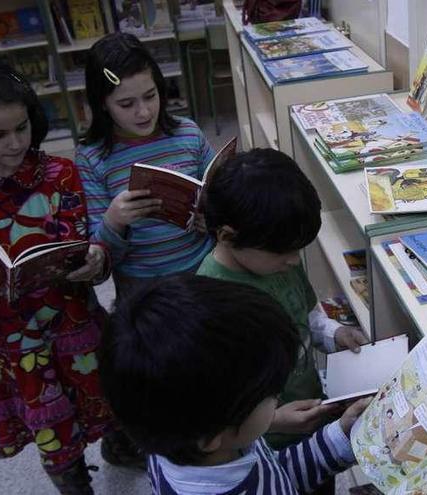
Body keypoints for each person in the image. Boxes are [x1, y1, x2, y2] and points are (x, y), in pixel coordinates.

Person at [0, 59, 138, 494]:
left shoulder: (59, 174)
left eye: (22, 128)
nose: (15, 144)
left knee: (109, 399)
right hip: (15, 341)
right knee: (53, 430)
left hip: (75, 321)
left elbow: (81, 251)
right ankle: (75, 483)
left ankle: (119, 447)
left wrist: (96, 260)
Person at [99, 274, 370, 495]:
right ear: (210, 438)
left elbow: (274, 474)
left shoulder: (173, 439)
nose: (277, 399)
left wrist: (340, 436)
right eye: (270, 395)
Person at [199, 148, 367, 448]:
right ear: (227, 236)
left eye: (298, 249)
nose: (293, 260)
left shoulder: (278, 256)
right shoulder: (212, 302)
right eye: (283, 251)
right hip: (261, 442)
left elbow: (306, 314)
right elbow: (213, 405)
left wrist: (335, 334)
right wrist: (273, 420)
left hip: (310, 411)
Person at [76, 32, 214, 299]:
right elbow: (98, 254)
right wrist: (113, 220)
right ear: (102, 104)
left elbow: (220, 193)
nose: (144, 112)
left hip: (204, 269)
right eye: (126, 104)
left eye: (150, 96)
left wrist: (213, 219)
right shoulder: (91, 156)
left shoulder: (188, 133)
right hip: (140, 286)